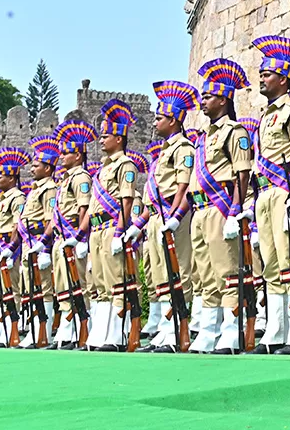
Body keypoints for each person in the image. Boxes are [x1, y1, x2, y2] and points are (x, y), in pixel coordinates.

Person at [249, 35, 290, 355]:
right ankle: (275, 331)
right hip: (264, 193)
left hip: (282, 191)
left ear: (284, 77)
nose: (261, 78)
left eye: (267, 74)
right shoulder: (265, 115)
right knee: (271, 264)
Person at [191, 58, 256, 354]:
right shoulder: (203, 137)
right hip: (200, 209)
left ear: (224, 98)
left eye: (208, 96)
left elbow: (242, 173)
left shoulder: (235, 132)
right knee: (205, 274)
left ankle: (230, 332)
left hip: (220, 208)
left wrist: (234, 211)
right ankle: (208, 330)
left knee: (228, 272)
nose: (202, 101)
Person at [140, 81, 199, 352]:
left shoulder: (184, 148)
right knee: (161, 274)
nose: (155, 122)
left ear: (174, 120)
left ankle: (179, 327)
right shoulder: (164, 151)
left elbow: (183, 186)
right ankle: (166, 328)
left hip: (172, 215)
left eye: (160, 117)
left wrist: (174, 216)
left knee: (179, 270)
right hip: (156, 217)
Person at [86, 99, 141, 351]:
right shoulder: (101, 169)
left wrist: (120, 231)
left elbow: (126, 200)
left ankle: (117, 335)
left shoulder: (125, 165)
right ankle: (101, 333)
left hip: (111, 227)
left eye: (105, 135)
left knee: (116, 281)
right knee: (100, 284)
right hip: (96, 230)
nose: (101, 140)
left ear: (119, 138)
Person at [50, 120, 97, 350]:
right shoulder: (65, 179)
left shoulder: (81, 178)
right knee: (63, 285)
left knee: (78, 286)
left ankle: (82, 330)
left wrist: (81, 237)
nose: (62, 156)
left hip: (73, 236)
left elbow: (84, 209)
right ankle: (67, 331)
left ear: (78, 156)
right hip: (62, 238)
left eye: (67, 153)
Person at [18, 136, 61, 348]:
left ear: (47, 167)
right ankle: (35, 329)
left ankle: (44, 331)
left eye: (36, 165)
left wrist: (45, 248)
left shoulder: (49, 189)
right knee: (32, 288)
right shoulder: (36, 188)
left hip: (40, 244)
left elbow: (50, 219)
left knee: (44, 288)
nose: (32, 169)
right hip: (30, 244)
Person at [0, 148, 30, 347]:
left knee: (10, 289)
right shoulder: (2, 199)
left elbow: (17, 224)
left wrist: (12, 249)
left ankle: (12, 328)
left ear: (12, 178)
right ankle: (0, 329)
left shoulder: (17, 197)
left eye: (0, 176)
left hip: (7, 248)